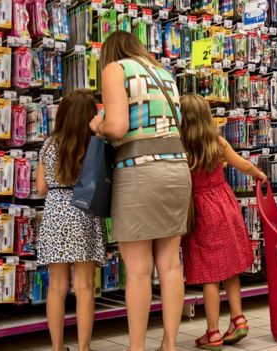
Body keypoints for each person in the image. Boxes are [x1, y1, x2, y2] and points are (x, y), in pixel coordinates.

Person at [90, 31, 191, 351]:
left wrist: (98, 125)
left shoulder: (115, 69)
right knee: (171, 265)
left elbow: (118, 127)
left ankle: (136, 348)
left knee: (137, 270)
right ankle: (170, 345)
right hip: (177, 171)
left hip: (139, 172)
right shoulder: (164, 73)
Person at [178, 94, 267, 350]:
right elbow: (243, 166)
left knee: (209, 276)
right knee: (230, 268)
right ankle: (238, 319)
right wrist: (260, 175)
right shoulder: (217, 142)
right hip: (225, 204)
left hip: (201, 212)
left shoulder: (182, 149)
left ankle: (213, 332)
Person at [36, 90, 107, 351]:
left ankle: (57, 347)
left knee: (56, 287)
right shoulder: (94, 144)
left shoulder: (48, 145)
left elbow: (41, 188)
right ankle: (84, 348)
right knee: (85, 286)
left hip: (55, 213)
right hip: (84, 211)